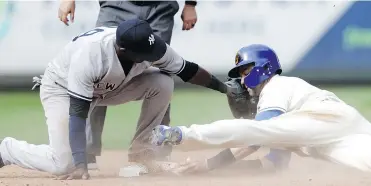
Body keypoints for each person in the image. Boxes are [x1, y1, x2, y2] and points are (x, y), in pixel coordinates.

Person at [0, 18, 241, 180]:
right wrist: (80, 161)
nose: (151, 56)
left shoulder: (151, 45)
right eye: (144, 55)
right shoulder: (90, 55)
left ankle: (143, 153)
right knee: (64, 164)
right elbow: (78, 111)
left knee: (163, 81)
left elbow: (187, 70)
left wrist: (223, 88)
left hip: (109, 87)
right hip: (62, 91)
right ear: (122, 49)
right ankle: (7, 150)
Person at [152, 44, 371, 174]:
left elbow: (258, 135)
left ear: (263, 68)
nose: (242, 81)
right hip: (341, 135)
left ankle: (181, 134)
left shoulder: (277, 86)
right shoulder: (290, 129)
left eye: (244, 72)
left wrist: (210, 164)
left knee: (255, 129)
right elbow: (275, 164)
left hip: (326, 118)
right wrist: (226, 172)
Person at [57, 0, 198, 169]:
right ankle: (85, 151)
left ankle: (154, 149)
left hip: (160, 6)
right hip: (115, 4)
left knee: (161, 72)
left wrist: (190, 4)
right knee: (99, 68)